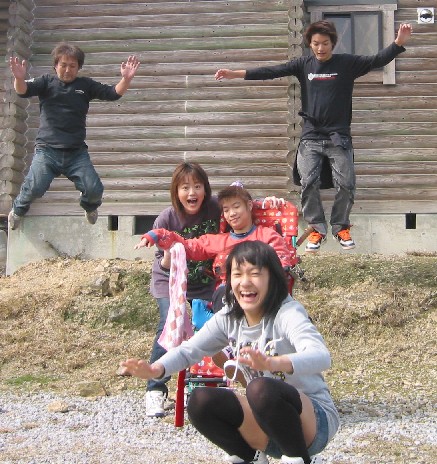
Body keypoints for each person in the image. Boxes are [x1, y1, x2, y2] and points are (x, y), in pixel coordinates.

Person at [121, 240, 339, 464]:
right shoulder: (229, 317)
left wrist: (275, 363)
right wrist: (156, 369)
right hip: (266, 426)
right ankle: (249, 457)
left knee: (261, 388)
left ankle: (299, 459)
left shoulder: (287, 312)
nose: (245, 282)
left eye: (255, 274)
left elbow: (321, 356)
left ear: (273, 279)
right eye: (237, 274)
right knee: (201, 401)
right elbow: (190, 350)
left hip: (314, 423)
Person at [215, 22, 413, 253]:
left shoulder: (347, 64)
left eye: (325, 43)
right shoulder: (304, 65)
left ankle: (340, 226)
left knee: (346, 184)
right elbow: (272, 71)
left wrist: (399, 42)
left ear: (333, 43)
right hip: (311, 136)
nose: (320, 48)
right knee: (308, 182)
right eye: (316, 44)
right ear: (310, 44)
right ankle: (317, 227)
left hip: (338, 136)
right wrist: (235, 74)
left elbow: (377, 60)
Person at [7, 42, 140, 230]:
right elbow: (23, 91)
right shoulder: (46, 82)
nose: (67, 70)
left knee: (94, 189)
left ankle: (89, 206)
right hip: (47, 151)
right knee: (34, 187)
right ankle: (18, 210)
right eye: (63, 65)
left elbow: (112, 93)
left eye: (72, 66)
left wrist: (126, 79)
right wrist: (19, 78)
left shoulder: (85, 85)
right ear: (55, 65)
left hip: (76, 153)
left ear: (78, 67)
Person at [140, 162, 222, 418]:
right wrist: (171, 252)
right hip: (170, 279)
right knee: (170, 324)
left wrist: (270, 202)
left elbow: (242, 203)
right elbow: (164, 265)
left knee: (212, 326)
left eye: (197, 186)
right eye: (185, 187)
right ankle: (155, 390)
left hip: (205, 281)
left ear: (205, 189)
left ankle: (198, 383)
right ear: (176, 192)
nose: (192, 193)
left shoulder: (216, 209)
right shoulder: (167, 218)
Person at [134, 185, 293, 288]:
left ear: (249, 205)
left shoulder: (267, 235)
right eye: (226, 210)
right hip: (227, 301)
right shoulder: (218, 240)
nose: (232, 214)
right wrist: (157, 234)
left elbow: (281, 259)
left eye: (236, 207)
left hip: (261, 296)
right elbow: (188, 245)